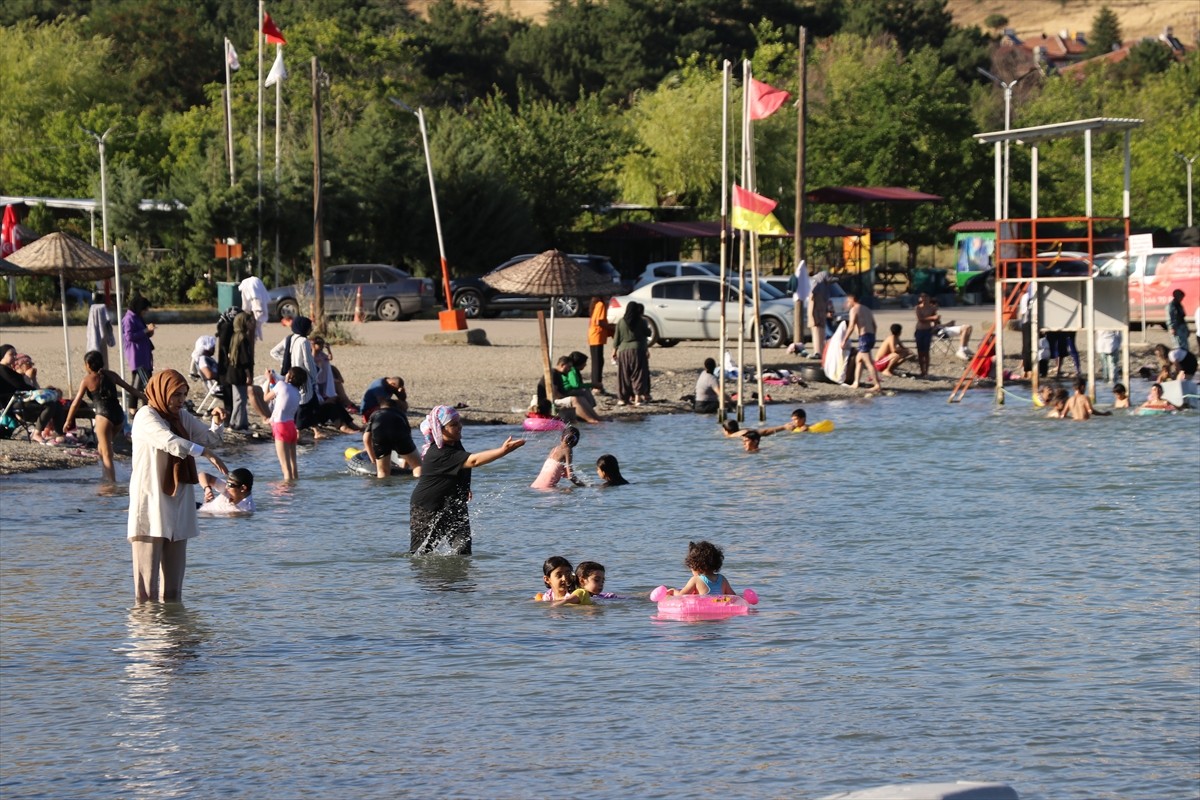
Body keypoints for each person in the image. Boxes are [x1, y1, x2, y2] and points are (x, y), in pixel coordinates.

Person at [127, 369, 228, 602]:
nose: (181, 400)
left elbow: (208, 438)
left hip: (180, 500)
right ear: (162, 392)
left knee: (174, 593)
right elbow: (169, 442)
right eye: (176, 395)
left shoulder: (181, 417)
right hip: (151, 501)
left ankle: (175, 625)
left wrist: (217, 423)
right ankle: (147, 626)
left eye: (184, 394)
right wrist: (206, 453)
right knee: (146, 593)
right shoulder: (145, 416)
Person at [408, 405, 525, 555]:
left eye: (459, 422)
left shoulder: (455, 442)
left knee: (463, 551)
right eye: (453, 425)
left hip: (453, 505)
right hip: (428, 507)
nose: (460, 427)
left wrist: (464, 486)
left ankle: (457, 572)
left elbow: (460, 467)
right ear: (440, 429)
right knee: (421, 554)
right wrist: (503, 451)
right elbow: (473, 461)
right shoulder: (439, 452)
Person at [64, 350, 145, 482]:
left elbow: (75, 403)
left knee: (106, 453)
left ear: (88, 364)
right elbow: (130, 389)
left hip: (103, 416)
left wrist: (68, 421)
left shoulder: (87, 380)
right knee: (102, 448)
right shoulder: (111, 375)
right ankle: (105, 477)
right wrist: (146, 398)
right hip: (119, 416)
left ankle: (111, 485)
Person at [0, 346, 67, 440]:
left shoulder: (9, 371)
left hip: (22, 400)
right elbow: (21, 387)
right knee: (50, 405)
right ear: (2, 356)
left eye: (15, 354)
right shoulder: (3, 370)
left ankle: (60, 434)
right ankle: (37, 433)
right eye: (11, 354)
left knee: (57, 404)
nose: (14, 356)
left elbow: (26, 387)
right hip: (14, 404)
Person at [362, 395, 421, 478]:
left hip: (380, 436)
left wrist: (373, 460)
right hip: (399, 435)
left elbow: (366, 439)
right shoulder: (400, 414)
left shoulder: (375, 414)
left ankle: (382, 486)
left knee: (382, 471)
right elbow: (408, 438)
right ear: (396, 408)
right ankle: (419, 483)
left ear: (380, 408)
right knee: (417, 466)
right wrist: (405, 466)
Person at [263, 366, 303, 480]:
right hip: (292, 427)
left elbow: (266, 398)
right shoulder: (297, 393)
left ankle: (287, 490)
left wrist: (268, 380)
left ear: (290, 376)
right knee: (293, 466)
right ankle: (295, 488)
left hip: (281, 427)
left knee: (285, 468)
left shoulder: (281, 385)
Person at [540, 356, 601, 424]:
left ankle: (597, 417)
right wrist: (566, 397)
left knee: (581, 398)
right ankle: (590, 420)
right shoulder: (553, 373)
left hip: (556, 397)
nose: (569, 370)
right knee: (574, 399)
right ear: (562, 365)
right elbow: (554, 393)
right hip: (548, 400)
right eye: (568, 367)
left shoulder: (558, 374)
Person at [664, 540, 735, 597]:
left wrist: (673, 591)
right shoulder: (722, 579)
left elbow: (681, 595)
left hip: (704, 609)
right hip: (719, 607)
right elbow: (733, 596)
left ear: (696, 565)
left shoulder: (695, 580)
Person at [613, 300, 651, 406]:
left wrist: (614, 351)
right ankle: (637, 398)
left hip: (623, 350)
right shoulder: (641, 321)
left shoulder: (621, 322)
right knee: (638, 373)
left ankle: (623, 399)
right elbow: (648, 333)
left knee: (624, 374)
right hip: (638, 349)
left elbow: (617, 338)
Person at [122, 294, 155, 415]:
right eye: (145, 309)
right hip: (137, 356)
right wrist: (146, 330)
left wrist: (149, 332)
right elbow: (129, 336)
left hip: (144, 355)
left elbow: (142, 334)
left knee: (142, 382)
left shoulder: (137, 317)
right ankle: (136, 409)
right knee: (142, 383)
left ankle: (142, 407)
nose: (145, 312)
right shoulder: (129, 319)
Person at [844, 292, 882, 392]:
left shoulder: (854, 310)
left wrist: (844, 340)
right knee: (859, 360)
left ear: (852, 300)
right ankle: (856, 382)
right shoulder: (867, 309)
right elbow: (874, 325)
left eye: (848, 301)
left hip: (864, 337)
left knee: (869, 363)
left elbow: (851, 326)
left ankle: (877, 384)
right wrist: (872, 336)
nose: (847, 303)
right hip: (871, 336)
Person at [587, 296, 614, 396]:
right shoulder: (600, 305)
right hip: (597, 336)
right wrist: (612, 328)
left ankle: (595, 385)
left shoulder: (595, 305)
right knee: (598, 362)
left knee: (596, 362)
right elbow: (600, 322)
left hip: (593, 336)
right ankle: (597, 387)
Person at [85, 292, 116, 370]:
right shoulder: (102, 308)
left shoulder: (92, 308)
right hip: (103, 336)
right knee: (103, 358)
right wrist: (110, 337)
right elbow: (107, 322)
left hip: (94, 336)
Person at [913, 292, 938, 378]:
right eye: (922, 298)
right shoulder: (918, 308)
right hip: (919, 330)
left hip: (928, 330)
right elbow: (920, 319)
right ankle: (922, 371)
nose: (924, 300)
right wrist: (932, 318)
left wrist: (934, 326)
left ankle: (926, 371)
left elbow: (936, 319)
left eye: (926, 298)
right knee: (920, 352)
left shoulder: (932, 308)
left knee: (926, 352)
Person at [238, 275, 270, 341]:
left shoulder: (250, 285)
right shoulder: (252, 285)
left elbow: (246, 306)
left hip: (251, 315)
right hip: (252, 315)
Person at [808, 270, 830, 360]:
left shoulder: (816, 282)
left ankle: (818, 352)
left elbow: (812, 294)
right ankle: (822, 351)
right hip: (820, 311)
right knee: (820, 332)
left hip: (816, 311)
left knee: (816, 332)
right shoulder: (823, 285)